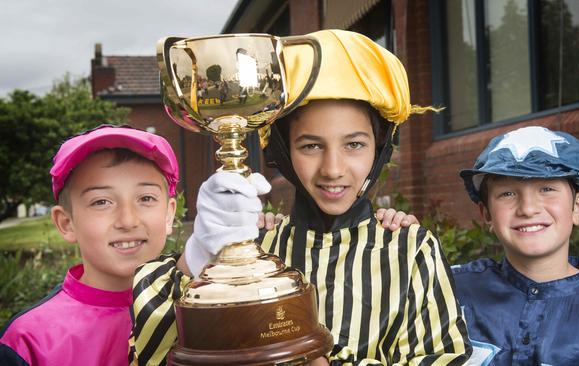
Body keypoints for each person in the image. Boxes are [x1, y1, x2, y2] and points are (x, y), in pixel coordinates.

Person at [130, 29, 471, 365]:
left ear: (380, 148)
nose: (333, 169)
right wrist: (199, 252)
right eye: (311, 145)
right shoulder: (257, 244)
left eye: (354, 144)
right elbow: (154, 352)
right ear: (282, 151)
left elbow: (444, 357)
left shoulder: (411, 249)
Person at [454, 125, 579, 365]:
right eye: (507, 193)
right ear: (487, 214)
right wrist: (400, 242)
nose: (527, 209)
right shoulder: (448, 293)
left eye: (547, 189)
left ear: (578, 206)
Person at [0, 125, 179, 365]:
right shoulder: (27, 342)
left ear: (168, 215)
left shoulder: (200, 308)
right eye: (101, 202)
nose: (128, 220)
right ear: (66, 223)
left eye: (146, 198)